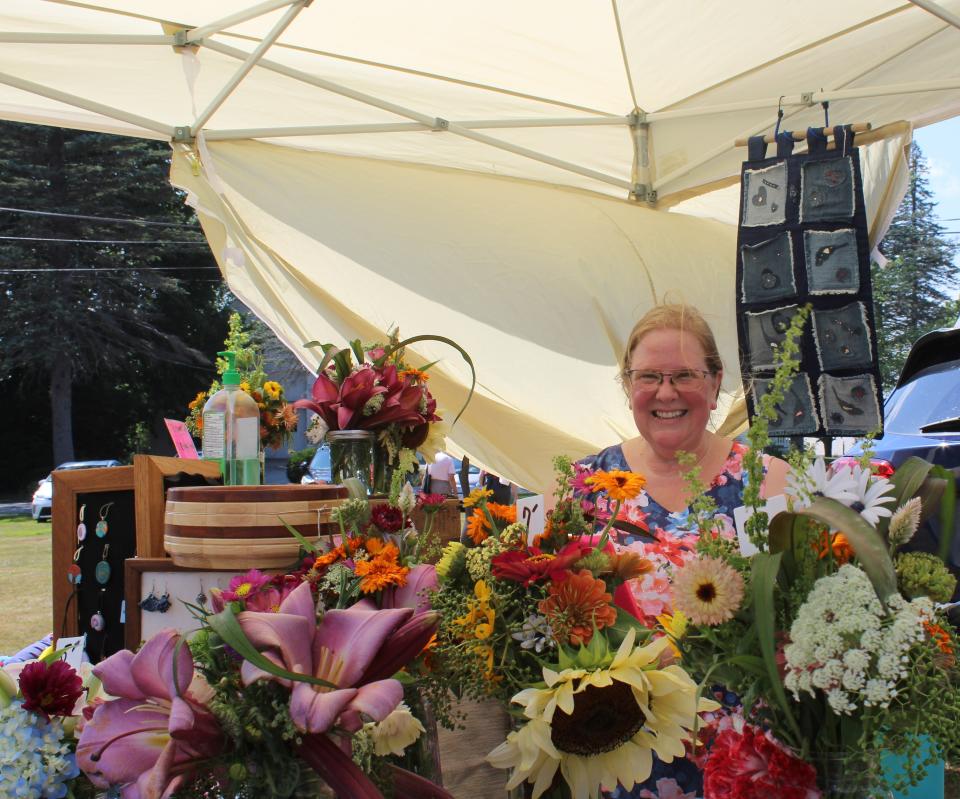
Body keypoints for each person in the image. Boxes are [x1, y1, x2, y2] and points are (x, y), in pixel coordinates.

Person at [575, 302, 788, 799]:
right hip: (621, 765)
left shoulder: (770, 483)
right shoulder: (581, 489)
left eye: (685, 376)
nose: (666, 392)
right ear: (629, 386)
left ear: (715, 385)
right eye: (649, 376)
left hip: (748, 767)